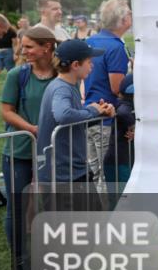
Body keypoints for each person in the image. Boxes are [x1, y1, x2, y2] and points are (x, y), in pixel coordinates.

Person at [0, 24, 58, 270]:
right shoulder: (17, 75)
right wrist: (32, 128)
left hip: (53, 154)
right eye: (23, 47)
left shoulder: (62, 74)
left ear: (47, 47)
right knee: (17, 208)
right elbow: (6, 110)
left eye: (29, 47)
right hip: (19, 152)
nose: (24, 51)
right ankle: (21, 264)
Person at [36, 40, 115, 188]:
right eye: (89, 62)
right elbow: (63, 116)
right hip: (64, 175)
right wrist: (92, 110)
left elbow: (72, 123)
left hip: (71, 170)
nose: (92, 66)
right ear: (76, 65)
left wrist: (100, 113)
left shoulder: (69, 85)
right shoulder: (62, 88)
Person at [84, 0, 132, 194]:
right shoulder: (115, 47)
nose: (132, 16)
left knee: (97, 175)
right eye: (129, 13)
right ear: (122, 20)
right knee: (108, 177)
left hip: (90, 113)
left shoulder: (90, 40)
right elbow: (117, 88)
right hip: (107, 119)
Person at [106, 73, 135, 188]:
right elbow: (123, 113)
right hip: (120, 162)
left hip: (117, 160)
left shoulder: (122, 103)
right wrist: (134, 127)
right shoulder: (125, 105)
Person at [0, 13, 18, 84]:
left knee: (11, 72)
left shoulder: (12, 31)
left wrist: (15, 53)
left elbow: (15, 43)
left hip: (8, 52)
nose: (1, 37)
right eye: (2, 33)